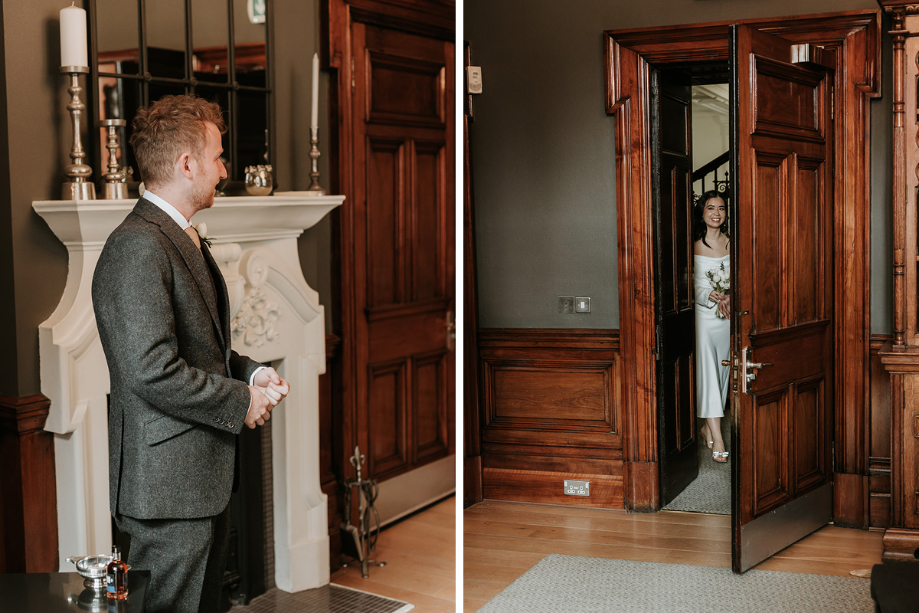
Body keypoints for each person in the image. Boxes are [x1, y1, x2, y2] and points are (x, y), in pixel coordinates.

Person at [92, 95, 290, 613]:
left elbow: (201, 348)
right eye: (219, 157)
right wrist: (240, 402)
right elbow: (151, 371)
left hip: (197, 481)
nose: (225, 169)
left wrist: (254, 372)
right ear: (187, 164)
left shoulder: (179, 237)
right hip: (166, 490)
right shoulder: (137, 246)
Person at [693, 191, 731, 463]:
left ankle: (708, 424)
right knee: (707, 372)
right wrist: (708, 294)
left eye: (721, 208)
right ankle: (718, 437)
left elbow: (743, 277)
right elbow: (687, 285)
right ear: (702, 213)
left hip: (727, 317)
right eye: (710, 208)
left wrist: (731, 295)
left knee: (722, 373)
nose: (716, 213)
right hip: (704, 319)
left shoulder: (733, 244)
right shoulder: (694, 246)